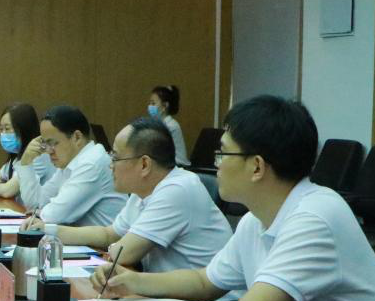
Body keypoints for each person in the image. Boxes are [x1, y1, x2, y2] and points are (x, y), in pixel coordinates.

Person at [91, 95, 375, 301]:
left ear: (256, 167)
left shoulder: (315, 218)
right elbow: (205, 281)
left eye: (223, 153)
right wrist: (133, 281)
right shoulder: (257, 219)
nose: (216, 164)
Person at [32, 116, 231, 273]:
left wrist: (114, 248)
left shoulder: (178, 189)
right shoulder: (144, 189)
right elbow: (109, 234)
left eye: (115, 157)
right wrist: (48, 230)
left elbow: (123, 253)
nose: (110, 165)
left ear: (144, 164)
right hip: (170, 298)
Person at [18, 105, 126, 227]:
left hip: (102, 240)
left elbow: (55, 215)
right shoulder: (70, 163)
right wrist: (26, 162)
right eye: (45, 144)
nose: (48, 151)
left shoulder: (92, 163)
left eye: (52, 143)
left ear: (77, 137)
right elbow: (36, 203)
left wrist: (41, 212)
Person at [0, 102, 54, 207]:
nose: (3, 134)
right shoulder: (16, 156)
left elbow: (7, 191)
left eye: (7, 129)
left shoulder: (39, 155)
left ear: (24, 129)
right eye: (1, 129)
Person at [148, 85, 190, 166]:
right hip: (167, 164)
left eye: (153, 103)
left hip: (177, 164)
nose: (150, 106)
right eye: (150, 103)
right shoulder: (158, 124)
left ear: (164, 106)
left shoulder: (171, 126)